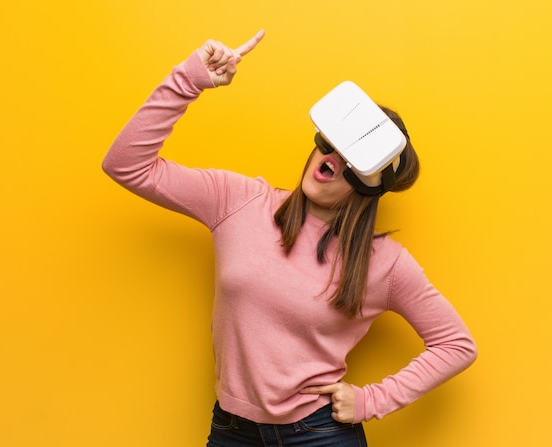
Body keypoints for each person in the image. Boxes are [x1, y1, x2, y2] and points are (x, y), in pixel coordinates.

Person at [102, 30, 477, 447]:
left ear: (368, 185)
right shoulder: (239, 201)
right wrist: (189, 80)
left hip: (320, 434)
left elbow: (456, 344)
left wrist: (372, 400)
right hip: (232, 431)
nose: (330, 158)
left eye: (350, 158)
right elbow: (127, 166)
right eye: (327, 144)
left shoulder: (384, 262)